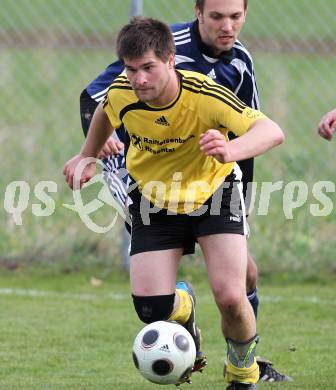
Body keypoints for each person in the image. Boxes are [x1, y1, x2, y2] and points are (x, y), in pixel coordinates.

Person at [64, 16, 285, 389]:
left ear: (170, 61)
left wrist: (229, 149)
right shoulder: (124, 92)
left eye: (148, 68)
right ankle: (184, 305)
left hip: (213, 193)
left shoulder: (205, 94)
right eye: (132, 70)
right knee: (151, 310)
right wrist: (86, 154)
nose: (140, 80)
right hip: (154, 201)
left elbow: (271, 131)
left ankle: (243, 373)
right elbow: (105, 109)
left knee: (231, 295)